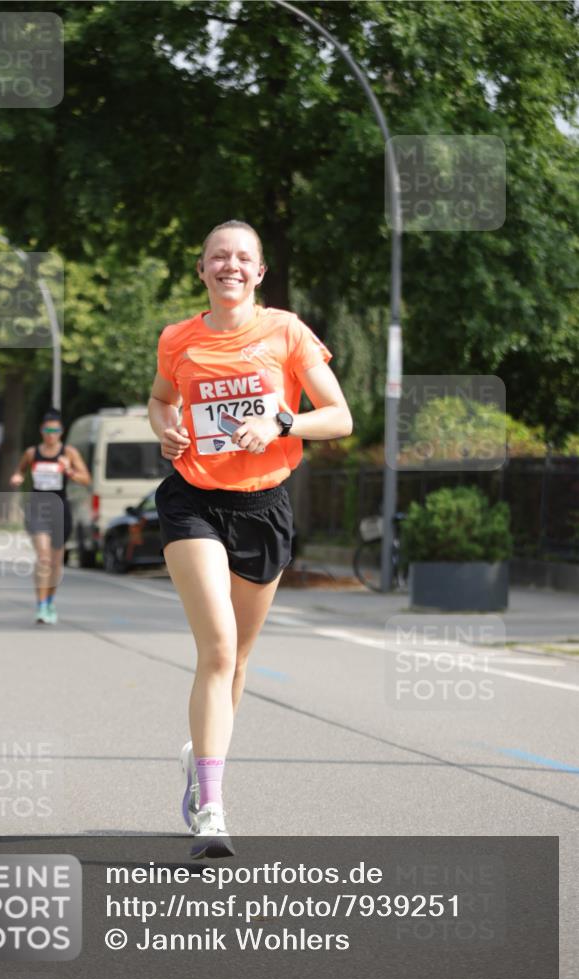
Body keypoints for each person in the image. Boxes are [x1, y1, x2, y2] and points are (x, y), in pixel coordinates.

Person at [148, 220, 352, 858]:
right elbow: (159, 399)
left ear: (258, 273)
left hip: (263, 507)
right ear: (202, 269)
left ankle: (199, 761)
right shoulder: (177, 338)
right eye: (218, 257)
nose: (229, 266)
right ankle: (212, 806)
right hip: (193, 502)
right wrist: (167, 429)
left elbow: (340, 417)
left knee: (237, 660)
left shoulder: (286, 331)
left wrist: (283, 421)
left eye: (243, 258)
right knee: (216, 649)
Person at [10, 408, 91, 624]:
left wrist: (69, 471)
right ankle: (40, 606)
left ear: (61, 431)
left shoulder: (69, 453)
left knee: (56, 563)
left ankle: (50, 601)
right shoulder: (31, 453)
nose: (51, 433)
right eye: (47, 429)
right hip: (37, 508)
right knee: (44, 557)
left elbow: (86, 479)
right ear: (41, 430)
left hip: (60, 509)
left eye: (55, 429)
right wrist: (17, 477)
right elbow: (20, 471)